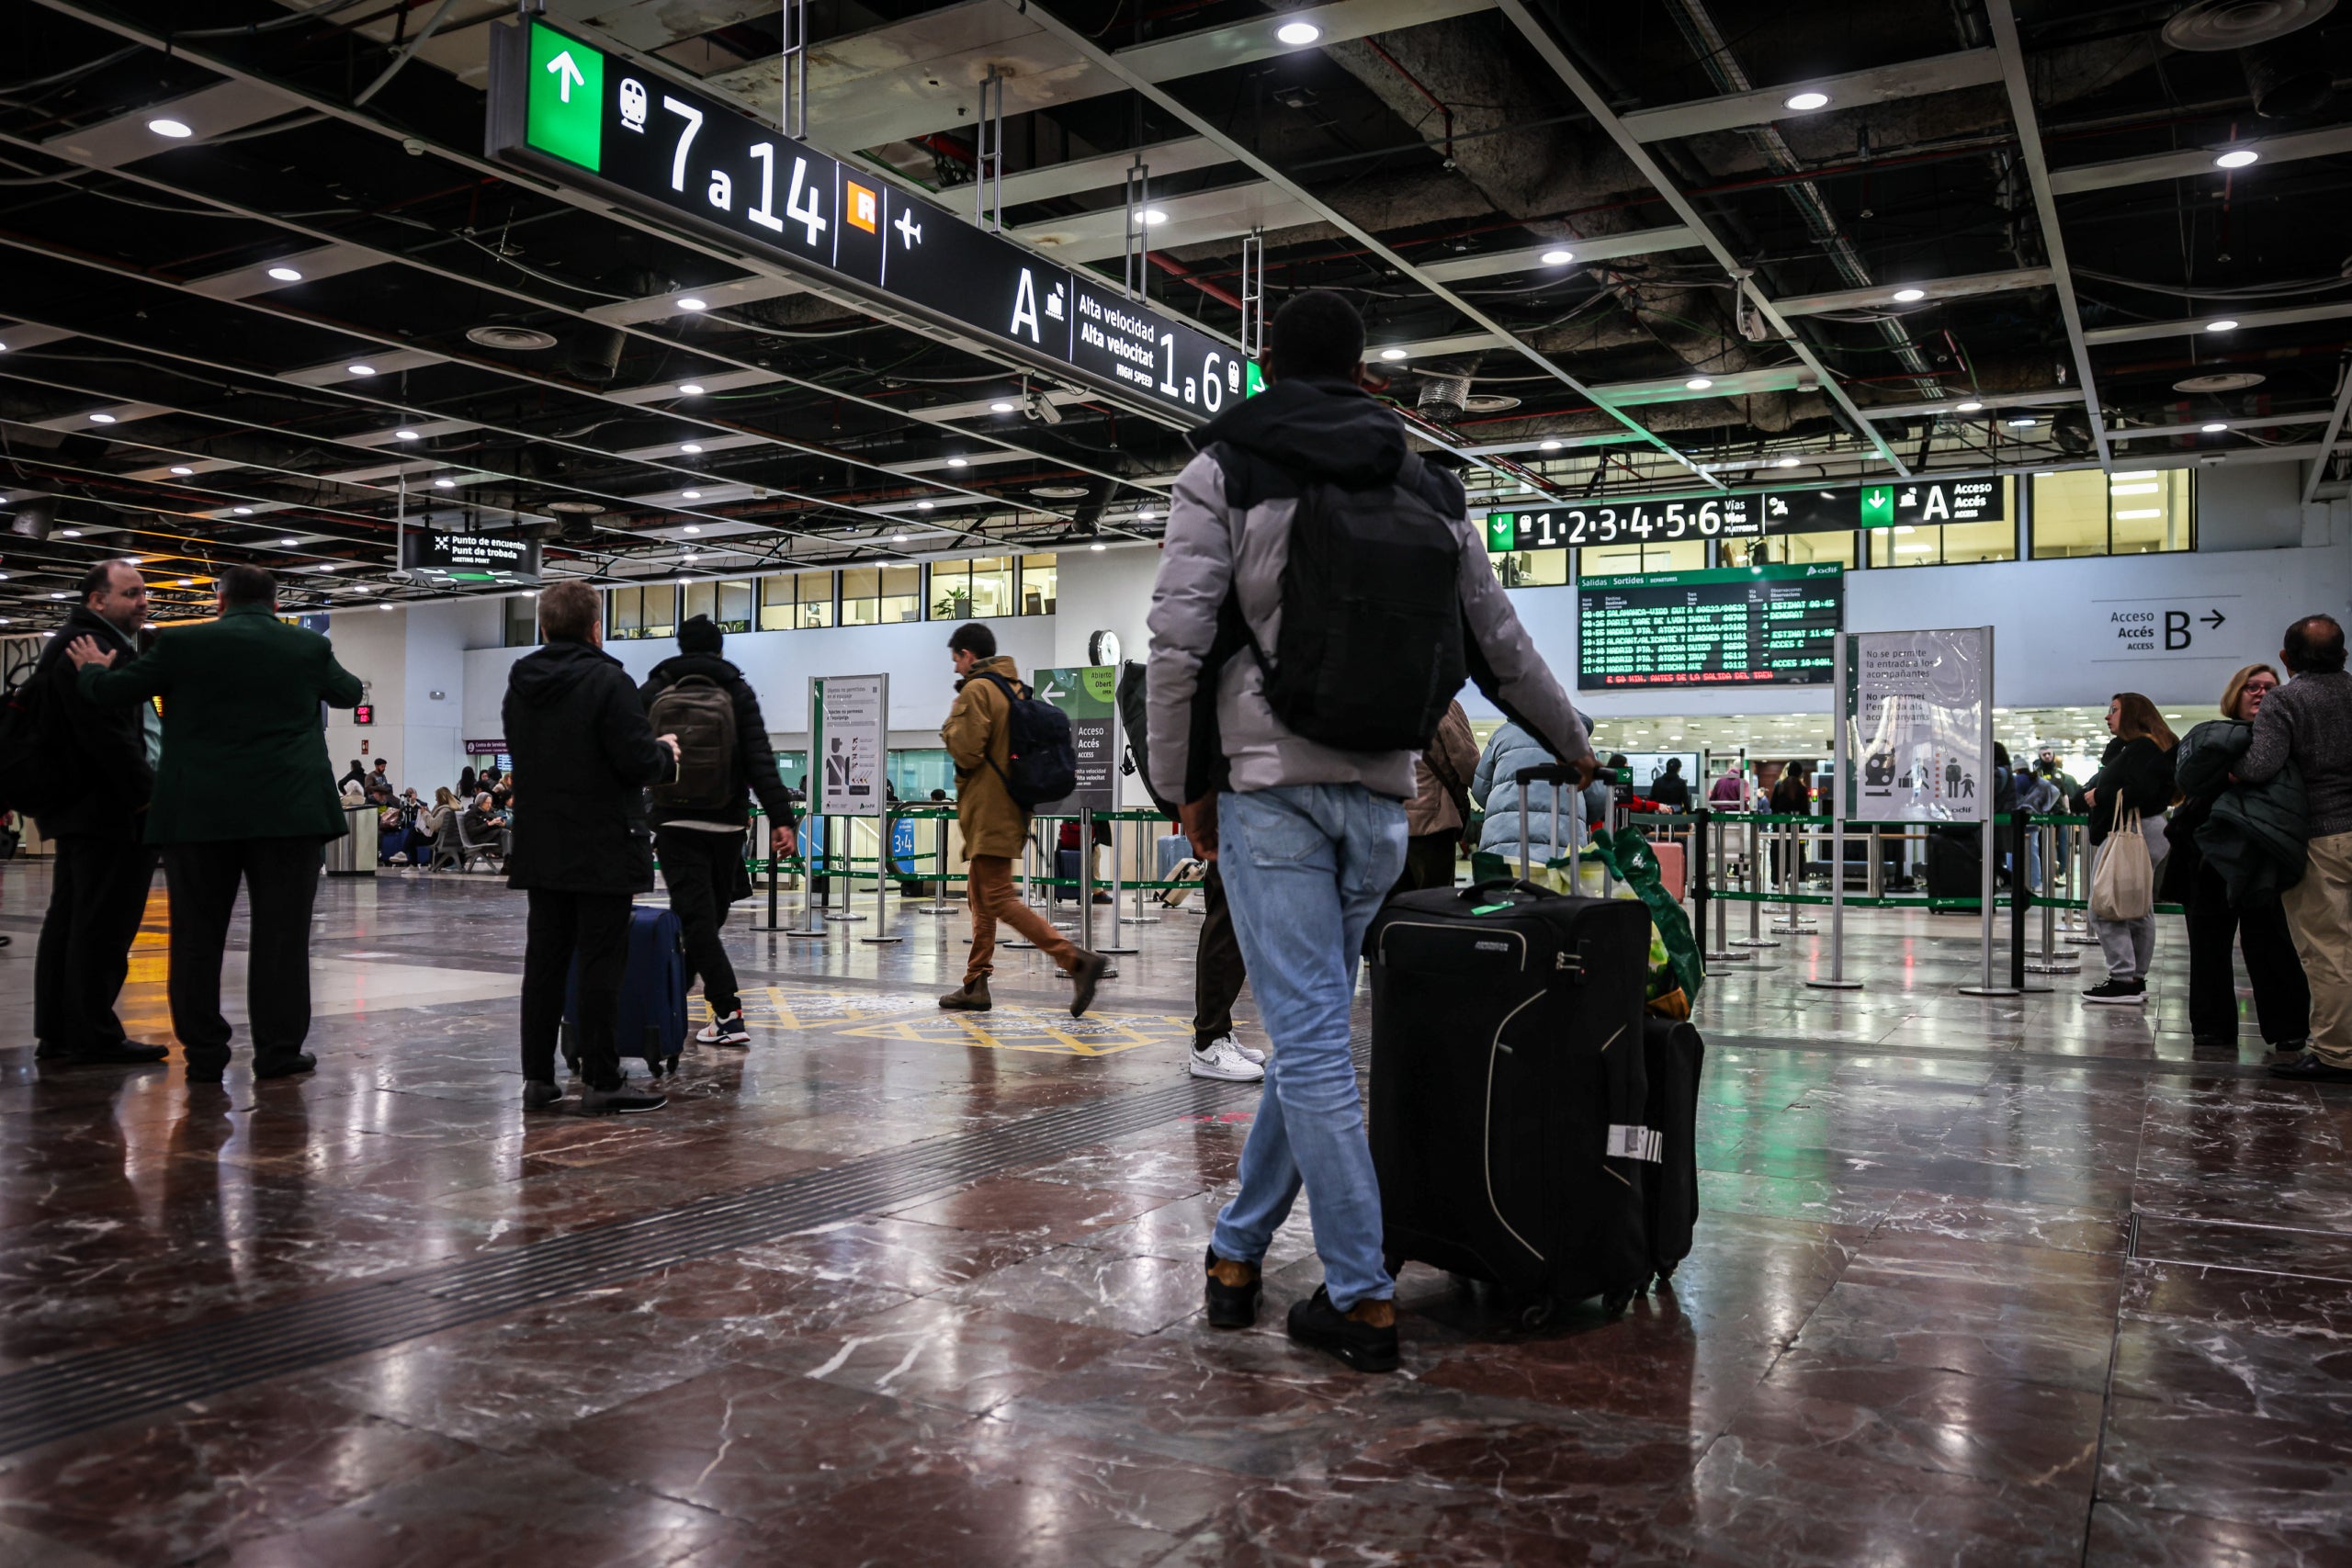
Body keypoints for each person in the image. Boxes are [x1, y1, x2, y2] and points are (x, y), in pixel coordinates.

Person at [1146, 288, 1594, 1373]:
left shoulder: (1225, 468)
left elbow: (1177, 642)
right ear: (1363, 373)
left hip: (1271, 792)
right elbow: (1498, 643)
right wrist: (1572, 741)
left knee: (1308, 1046)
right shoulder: (1429, 486)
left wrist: (1179, 788)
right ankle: (1235, 1253)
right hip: (1382, 799)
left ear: (1265, 365)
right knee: (1310, 1039)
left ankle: (1360, 1297)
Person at [64, 566, 363, 1082]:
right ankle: (278, 1052)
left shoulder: (181, 644)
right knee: (283, 938)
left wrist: (91, 671)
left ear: (219, 602)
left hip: (198, 813)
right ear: (275, 604)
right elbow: (350, 694)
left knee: (196, 937)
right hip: (289, 813)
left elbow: (113, 693)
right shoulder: (307, 646)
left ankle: (204, 1052)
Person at [503, 581, 679, 1114]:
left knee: (544, 963)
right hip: (602, 844)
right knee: (602, 963)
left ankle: (537, 1079)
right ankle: (602, 1080)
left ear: (544, 626)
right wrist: (664, 753)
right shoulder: (610, 680)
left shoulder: (521, 683)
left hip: (541, 844)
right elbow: (635, 761)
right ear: (596, 629)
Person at [637, 615, 798, 1048]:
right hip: (727, 824)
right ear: (720, 649)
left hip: (674, 822)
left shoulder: (654, 690)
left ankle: (682, 1004)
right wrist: (782, 819)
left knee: (699, 922)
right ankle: (723, 1011)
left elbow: (628, 752)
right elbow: (760, 759)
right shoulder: (737, 691)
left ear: (680, 646)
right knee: (704, 920)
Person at [29, 560, 166, 1066]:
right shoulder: (92, 646)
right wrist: (146, 796)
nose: (143, 602)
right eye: (131, 593)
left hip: (85, 809)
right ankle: (92, 1035)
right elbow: (107, 736)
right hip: (110, 810)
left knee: (72, 921)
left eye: (144, 593)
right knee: (102, 926)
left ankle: (62, 1032)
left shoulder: (86, 642)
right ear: (97, 600)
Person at [936, 621, 1112, 1015]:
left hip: (990, 810)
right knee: (981, 897)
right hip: (1009, 805)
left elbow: (967, 751)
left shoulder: (978, 690)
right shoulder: (1013, 687)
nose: (955, 668)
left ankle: (1076, 960)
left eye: (956, 659)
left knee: (998, 897)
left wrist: (949, 726)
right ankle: (975, 983)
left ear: (968, 655)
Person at [2171, 663, 2311, 1062]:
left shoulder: (2287, 740)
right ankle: (2212, 1026)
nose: (2261, 693)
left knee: (2271, 944)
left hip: (2262, 856)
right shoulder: (2212, 737)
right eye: (2252, 687)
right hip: (2209, 855)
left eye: (2269, 687)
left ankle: (2288, 1029)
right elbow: (2190, 783)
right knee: (2208, 945)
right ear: (2236, 693)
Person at [2239, 616, 2352, 1082]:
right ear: (2343, 654)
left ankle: (2337, 1053)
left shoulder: (2287, 699)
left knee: (2329, 950)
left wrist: (2232, 766)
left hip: (2323, 836)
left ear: (2286, 659)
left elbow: (2261, 765)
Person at [2075, 693, 2177, 1005]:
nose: (2108, 715)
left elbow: (2141, 790)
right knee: (2138, 907)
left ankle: (2123, 979)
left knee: (2105, 905)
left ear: (2132, 713)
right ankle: (2134, 978)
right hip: (2147, 830)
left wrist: (2100, 795)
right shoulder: (2146, 746)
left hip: (2132, 831)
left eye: (2115, 710)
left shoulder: (2142, 748)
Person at [1472, 719, 1590, 871]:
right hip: (1563, 844)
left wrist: (1503, 809)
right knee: (1562, 883)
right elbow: (1597, 797)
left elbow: (1480, 790)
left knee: (1505, 884)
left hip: (1505, 842)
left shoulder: (1502, 734)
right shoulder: (1576, 739)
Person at [1394, 699, 1477, 894]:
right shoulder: (1442, 704)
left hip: (1388, 821)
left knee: (1397, 904)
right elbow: (1469, 766)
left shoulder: (1382, 704)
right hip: (1432, 823)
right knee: (1436, 902)